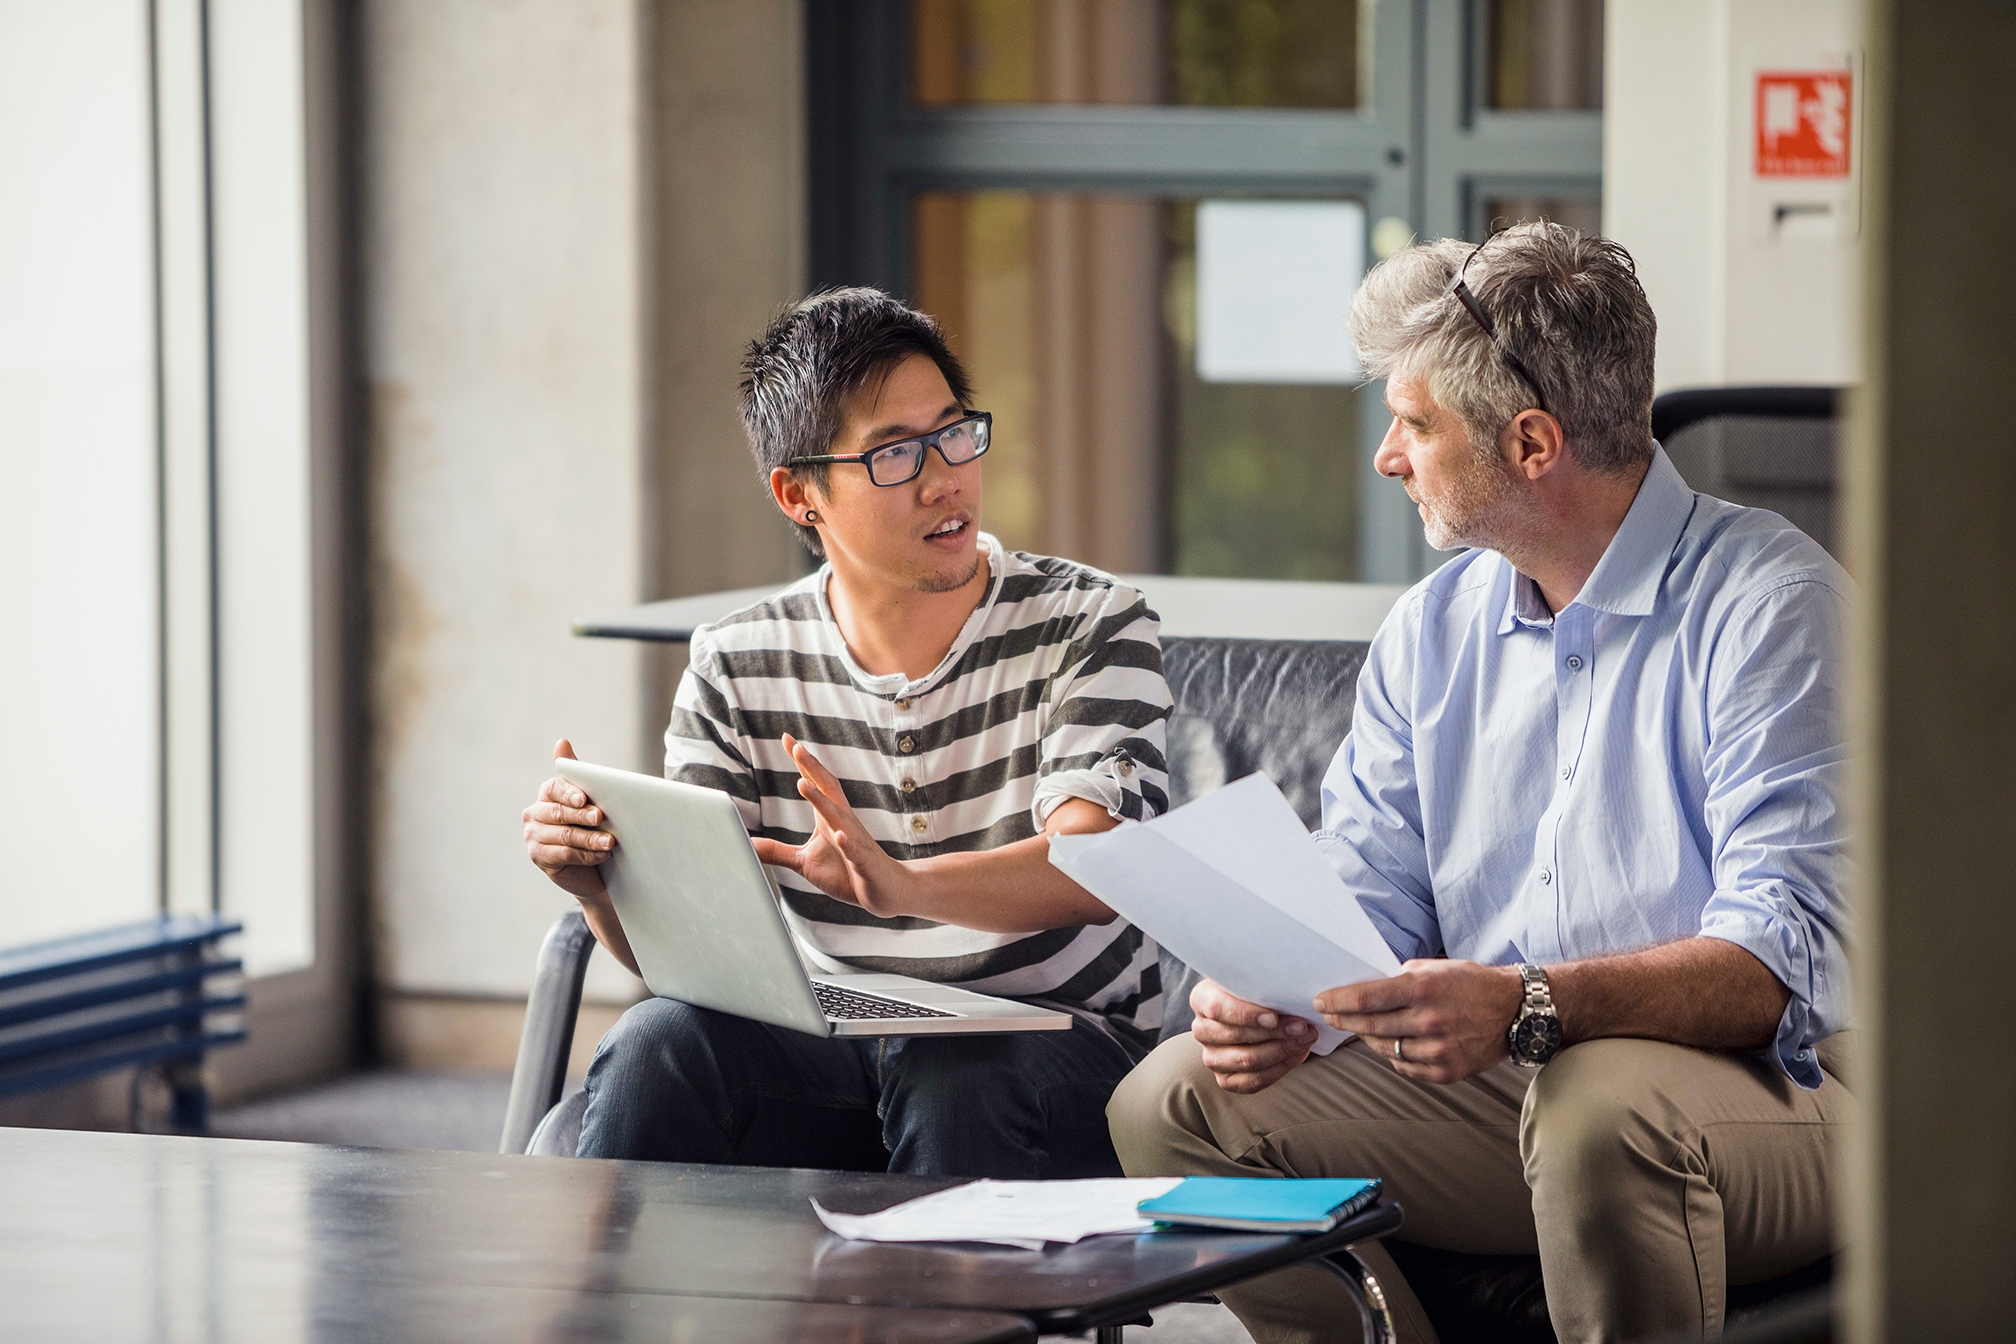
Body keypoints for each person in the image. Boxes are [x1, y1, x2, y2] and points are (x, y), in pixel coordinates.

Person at [1108, 222, 1852, 1344]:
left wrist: (1531, 1004)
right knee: (1170, 1103)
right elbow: (1370, 900)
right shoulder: (1431, 629)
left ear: (1533, 442)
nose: (1387, 456)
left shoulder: (1771, 607)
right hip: (1524, 1083)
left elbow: (1779, 962)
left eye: (1413, 424)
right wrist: (1277, 997)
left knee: (1598, 1108)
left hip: (1786, 1094)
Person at [522, 287, 1172, 1178]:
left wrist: (903, 885)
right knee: (659, 1044)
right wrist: (602, 888)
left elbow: (1101, 870)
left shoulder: (1091, 622)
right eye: (896, 454)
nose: (946, 476)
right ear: (800, 495)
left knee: (954, 1073)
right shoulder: (735, 661)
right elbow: (694, 958)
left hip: (1063, 1050)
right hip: (839, 1044)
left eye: (953, 432)